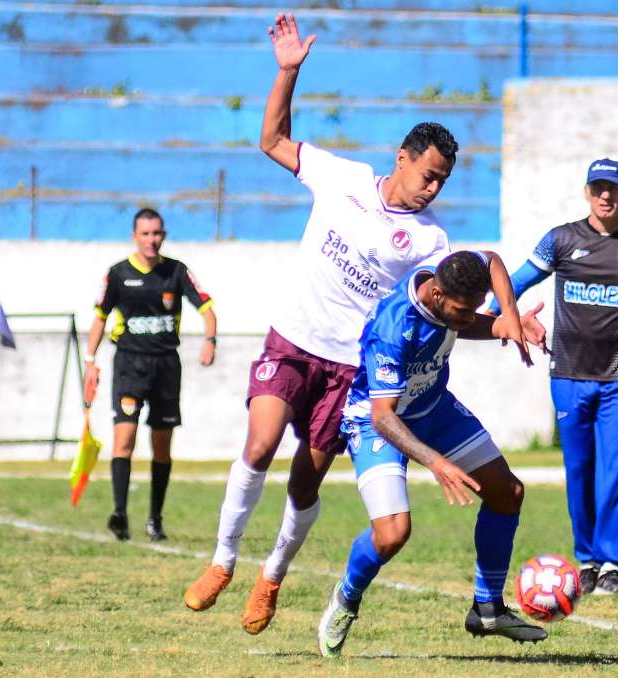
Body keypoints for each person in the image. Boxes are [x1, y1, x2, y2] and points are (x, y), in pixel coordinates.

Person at [183, 13, 533, 636]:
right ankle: (222, 561)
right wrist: (287, 72)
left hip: (351, 371)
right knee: (259, 445)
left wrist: (504, 321)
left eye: (443, 181)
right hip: (293, 341)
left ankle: (272, 576)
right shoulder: (339, 177)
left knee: (304, 483)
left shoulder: (430, 239)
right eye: (428, 174)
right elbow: (271, 139)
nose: (433, 188)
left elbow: (463, 285)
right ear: (400, 159)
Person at [316, 251, 548, 657]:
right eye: (462, 312)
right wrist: (436, 462)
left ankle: (488, 608)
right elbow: (384, 416)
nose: (467, 319)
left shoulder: (452, 279)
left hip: (432, 408)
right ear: (437, 295)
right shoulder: (395, 326)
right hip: (376, 419)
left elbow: (492, 261)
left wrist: (506, 317)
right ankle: (347, 598)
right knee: (393, 533)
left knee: (506, 493)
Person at [488, 158, 618, 595]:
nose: (606, 195)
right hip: (568, 375)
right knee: (579, 469)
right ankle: (586, 560)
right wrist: (491, 317)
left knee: (616, 471)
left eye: (613, 188)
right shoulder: (561, 241)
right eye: (598, 187)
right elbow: (516, 282)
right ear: (587, 191)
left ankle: (611, 566)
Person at [83, 207, 217, 542]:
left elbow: (207, 309)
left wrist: (209, 340)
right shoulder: (117, 274)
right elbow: (100, 317)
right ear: (134, 236)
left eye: (157, 233)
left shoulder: (176, 271)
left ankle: (155, 519)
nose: (151, 240)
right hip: (129, 365)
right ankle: (120, 514)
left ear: (164, 235)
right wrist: (90, 361)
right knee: (124, 440)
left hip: (166, 367)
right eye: (145, 234)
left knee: (161, 445)